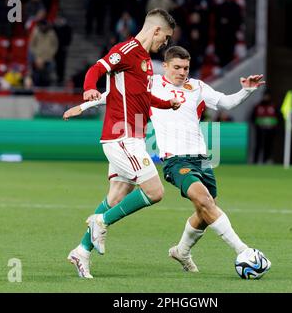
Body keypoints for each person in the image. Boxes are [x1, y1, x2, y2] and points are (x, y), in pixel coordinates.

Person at [64, 46, 271, 276]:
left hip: (202, 160)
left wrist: (246, 91)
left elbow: (226, 102)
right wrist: (83, 106)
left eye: (186, 68)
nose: (182, 72)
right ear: (165, 66)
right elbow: (114, 95)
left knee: (205, 210)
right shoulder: (151, 83)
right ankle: (243, 251)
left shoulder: (198, 87)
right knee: (203, 200)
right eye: (177, 67)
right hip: (175, 160)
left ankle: (181, 251)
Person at [66, 8, 177, 279]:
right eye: (165, 39)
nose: (166, 44)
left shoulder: (147, 61)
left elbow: (144, 96)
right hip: (121, 137)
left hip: (134, 137)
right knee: (155, 192)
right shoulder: (127, 49)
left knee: (116, 196)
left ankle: (81, 252)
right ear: (156, 31)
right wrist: (88, 89)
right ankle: (100, 221)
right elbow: (97, 68)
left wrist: (167, 103)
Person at [251, 90, 278, 164]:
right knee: (258, 145)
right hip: (260, 130)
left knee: (268, 146)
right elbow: (253, 118)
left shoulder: (273, 106)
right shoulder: (258, 106)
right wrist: (258, 126)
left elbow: (278, 118)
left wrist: (274, 127)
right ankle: (255, 161)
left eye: (267, 96)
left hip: (270, 130)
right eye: (265, 96)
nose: (266, 97)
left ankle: (266, 160)